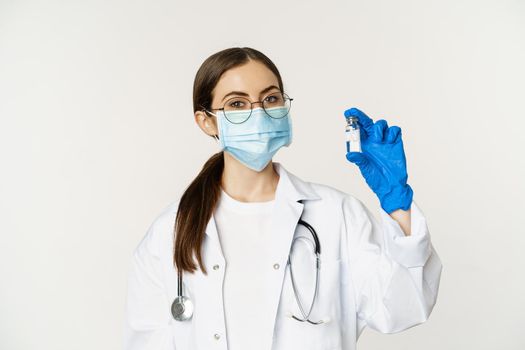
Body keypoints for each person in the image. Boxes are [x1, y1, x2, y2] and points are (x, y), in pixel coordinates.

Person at [122, 47, 443, 350]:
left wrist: (397, 202)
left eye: (270, 99)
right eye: (237, 104)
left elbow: (403, 307)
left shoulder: (337, 214)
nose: (258, 114)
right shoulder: (169, 233)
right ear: (206, 121)